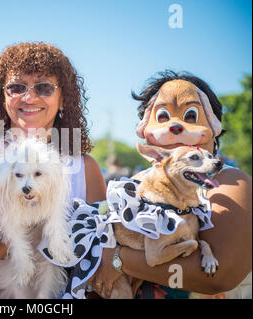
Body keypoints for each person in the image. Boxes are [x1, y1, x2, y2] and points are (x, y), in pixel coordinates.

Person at [0, 42, 107, 298]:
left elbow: (99, 262)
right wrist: (14, 234)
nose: (29, 98)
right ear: (2, 96)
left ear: (64, 98)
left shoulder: (85, 169)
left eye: (44, 87)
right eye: (16, 87)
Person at [89, 71, 251, 299]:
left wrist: (116, 258)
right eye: (163, 116)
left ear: (213, 126)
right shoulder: (137, 184)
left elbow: (220, 276)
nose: (175, 127)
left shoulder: (229, 180)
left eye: (191, 115)